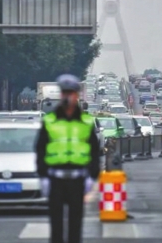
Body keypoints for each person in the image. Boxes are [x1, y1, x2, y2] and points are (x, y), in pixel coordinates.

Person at [35, 74, 100, 243]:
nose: (67, 96)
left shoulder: (86, 122)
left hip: (78, 179)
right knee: (55, 225)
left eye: (71, 93)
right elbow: (40, 150)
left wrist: (92, 176)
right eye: (64, 93)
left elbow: (94, 151)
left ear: (76, 95)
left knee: (75, 224)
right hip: (55, 178)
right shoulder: (49, 121)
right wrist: (43, 176)